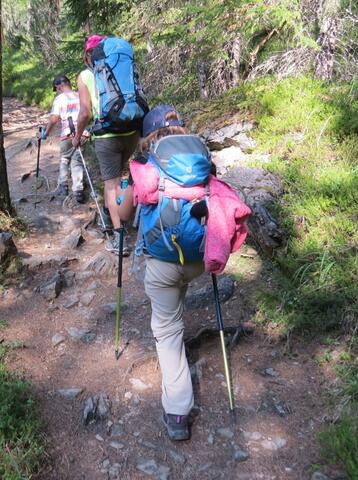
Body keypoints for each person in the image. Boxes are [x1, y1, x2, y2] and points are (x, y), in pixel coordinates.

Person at [119, 105, 251, 441]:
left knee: (166, 330)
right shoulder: (202, 162)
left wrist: (124, 186)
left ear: (148, 135)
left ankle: (178, 411)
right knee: (178, 289)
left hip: (162, 262)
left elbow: (124, 214)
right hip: (199, 259)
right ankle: (178, 324)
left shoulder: (146, 166)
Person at [72, 35, 140, 255]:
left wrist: (77, 136)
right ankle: (121, 212)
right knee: (122, 177)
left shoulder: (85, 75)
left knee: (111, 185)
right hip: (132, 130)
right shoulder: (120, 66)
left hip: (107, 136)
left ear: (88, 55)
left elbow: (85, 113)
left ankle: (119, 238)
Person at [40, 75, 86, 204]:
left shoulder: (59, 99)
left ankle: (63, 186)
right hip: (82, 133)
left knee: (64, 159)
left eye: (57, 89)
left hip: (67, 133)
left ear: (59, 86)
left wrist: (45, 133)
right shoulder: (81, 95)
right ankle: (78, 190)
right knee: (77, 161)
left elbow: (54, 119)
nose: (57, 91)